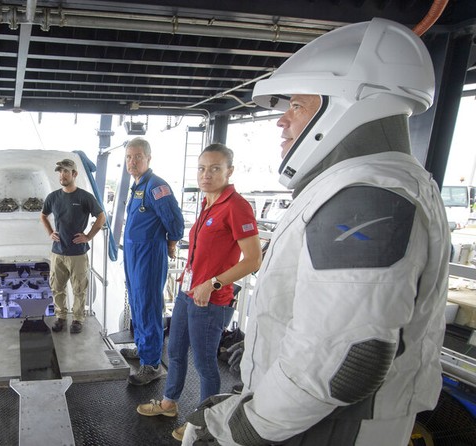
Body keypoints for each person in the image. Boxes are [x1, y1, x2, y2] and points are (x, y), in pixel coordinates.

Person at [182, 18, 449, 446]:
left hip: (328, 428)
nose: (281, 121)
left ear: (347, 105)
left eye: (296, 106)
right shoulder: (372, 185)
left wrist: (245, 426)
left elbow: (345, 359)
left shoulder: (366, 196)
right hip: (312, 420)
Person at [136, 143, 262, 441]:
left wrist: (213, 283)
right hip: (187, 292)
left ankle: (205, 422)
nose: (206, 175)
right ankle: (169, 403)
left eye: (215, 169)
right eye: (202, 168)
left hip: (211, 300)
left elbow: (253, 260)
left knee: (205, 363)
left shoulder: (236, 206)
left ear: (229, 171)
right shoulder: (207, 202)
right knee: (175, 351)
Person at [122, 137, 185, 385]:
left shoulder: (156, 186)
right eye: (129, 157)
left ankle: (152, 364)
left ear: (148, 158)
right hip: (133, 255)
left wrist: (171, 242)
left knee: (148, 305)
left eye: (138, 156)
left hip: (148, 255)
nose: (132, 161)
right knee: (137, 303)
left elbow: (175, 221)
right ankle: (142, 347)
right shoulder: (138, 186)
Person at [40, 158, 106, 334]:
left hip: (77, 253)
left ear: (74, 174)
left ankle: (77, 319)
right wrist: (50, 232)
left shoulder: (85, 197)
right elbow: (43, 215)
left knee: (79, 289)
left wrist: (88, 236)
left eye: (66, 171)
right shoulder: (53, 197)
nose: (62, 175)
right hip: (58, 252)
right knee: (57, 287)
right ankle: (61, 317)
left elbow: (101, 217)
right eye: (60, 171)